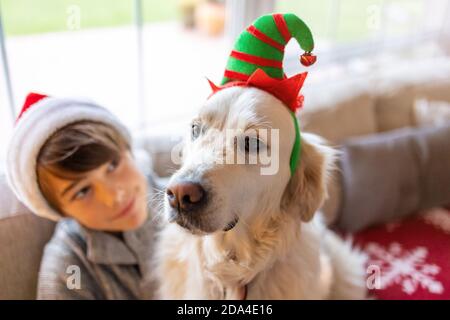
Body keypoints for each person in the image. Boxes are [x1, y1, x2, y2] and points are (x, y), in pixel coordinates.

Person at [6, 93, 159, 299]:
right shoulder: (66, 270)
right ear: (59, 211)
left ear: (128, 150)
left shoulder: (181, 198)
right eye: (83, 191)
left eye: (112, 165)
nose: (115, 196)